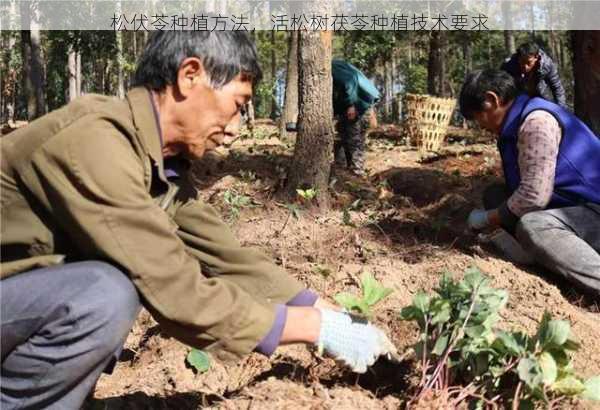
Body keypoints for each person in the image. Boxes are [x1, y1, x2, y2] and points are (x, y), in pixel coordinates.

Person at [0, 31, 397, 409]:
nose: (236, 129)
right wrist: (314, 329)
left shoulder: (161, 166)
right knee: (102, 296)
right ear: (190, 76)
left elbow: (225, 257)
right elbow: (174, 287)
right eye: (238, 105)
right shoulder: (95, 144)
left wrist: (332, 314)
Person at [459, 69, 600, 297]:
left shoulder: (536, 122)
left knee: (534, 226)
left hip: (593, 209)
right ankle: (545, 257)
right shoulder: (517, 120)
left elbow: (534, 195)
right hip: (572, 206)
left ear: (492, 100)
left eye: (477, 117)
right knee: (495, 196)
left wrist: (487, 218)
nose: (479, 125)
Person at [332, 59, 380, 176]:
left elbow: (350, 80)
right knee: (343, 134)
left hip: (358, 104)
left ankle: (357, 171)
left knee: (354, 138)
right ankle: (344, 167)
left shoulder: (331, 67)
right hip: (355, 104)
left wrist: (351, 105)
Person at [501, 41, 567, 108]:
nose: (525, 66)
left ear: (536, 57)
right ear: (518, 58)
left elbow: (557, 88)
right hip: (517, 101)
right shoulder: (509, 66)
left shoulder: (547, 65)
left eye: (528, 63)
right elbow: (502, 90)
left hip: (542, 99)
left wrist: (561, 110)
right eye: (522, 62)